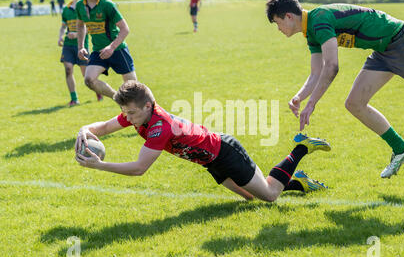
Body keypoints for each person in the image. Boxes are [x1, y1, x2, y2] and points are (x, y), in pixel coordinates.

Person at [266, 0, 404, 179]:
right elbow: (316, 73)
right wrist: (300, 97)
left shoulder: (319, 20)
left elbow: (332, 67)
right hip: (382, 50)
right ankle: (401, 149)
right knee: (354, 103)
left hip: (400, 41)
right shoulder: (311, 32)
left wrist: (312, 103)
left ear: (289, 16)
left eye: (277, 22)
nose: (278, 29)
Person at [75, 81, 331, 202]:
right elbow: (106, 126)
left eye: (131, 113)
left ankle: (301, 147)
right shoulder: (139, 115)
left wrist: (99, 165)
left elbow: (140, 168)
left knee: (270, 196)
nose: (127, 119)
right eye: (126, 113)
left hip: (226, 152)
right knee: (250, 199)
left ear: (148, 106)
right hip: (210, 161)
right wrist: (84, 129)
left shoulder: (158, 127)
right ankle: (299, 183)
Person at [76, 0, 138, 99]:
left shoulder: (107, 4)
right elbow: (80, 25)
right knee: (89, 80)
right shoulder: (79, 6)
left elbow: (125, 29)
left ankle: (152, 111)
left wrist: (111, 47)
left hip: (118, 49)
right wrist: (81, 46)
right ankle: (118, 98)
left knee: (134, 89)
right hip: (98, 51)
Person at [58, 0, 102, 107]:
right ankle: (74, 98)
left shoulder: (85, 8)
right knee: (68, 70)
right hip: (68, 45)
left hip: (81, 45)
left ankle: (98, 92)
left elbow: (89, 27)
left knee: (86, 75)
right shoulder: (66, 9)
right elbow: (63, 26)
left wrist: (77, 34)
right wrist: (60, 36)